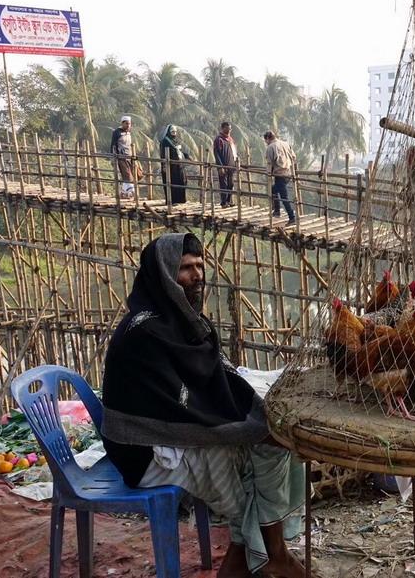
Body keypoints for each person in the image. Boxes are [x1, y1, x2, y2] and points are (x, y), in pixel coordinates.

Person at [101, 233, 312, 578]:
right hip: (145, 452)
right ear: (164, 275)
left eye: (200, 265)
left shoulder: (183, 322)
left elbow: (214, 380)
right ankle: (272, 556)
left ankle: (264, 556)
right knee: (254, 454)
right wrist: (247, 427)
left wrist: (256, 418)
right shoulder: (145, 333)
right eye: (186, 268)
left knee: (275, 441)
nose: (197, 275)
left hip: (171, 437)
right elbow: (183, 404)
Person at [264, 130, 296, 223]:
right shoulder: (285, 143)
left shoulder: (271, 147)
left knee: (284, 197)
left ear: (268, 138)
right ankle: (277, 211)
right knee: (273, 190)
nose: (266, 142)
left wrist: (268, 173)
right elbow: (294, 157)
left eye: (265, 141)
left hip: (280, 174)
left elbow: (269, 162)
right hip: (288, 173)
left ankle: (292, 217)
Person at [159, 124, 191, 205]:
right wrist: (164, 166)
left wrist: (187, 156)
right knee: (172, 183)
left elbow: (179, 151)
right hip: (171, 167)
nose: (174, 133)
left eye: (175, 132)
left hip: (179, 166)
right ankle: (172, 201)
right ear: (169, 132)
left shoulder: (175, 141)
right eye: (172, 132)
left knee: (182, 182)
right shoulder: (165, 141)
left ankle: (181, 200)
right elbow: (163, 154)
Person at [213, 122, 239, 207]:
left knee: (230, 184)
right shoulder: (219, 139)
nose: (229, 130)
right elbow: (217, 154)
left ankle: (228, 201)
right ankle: (223, 202)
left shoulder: (230, 139)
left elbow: (234, 152)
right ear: (223, 128)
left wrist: (236, 162)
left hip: (231, 166)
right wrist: (220, 166)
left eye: (230, 129)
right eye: (227, 128)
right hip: (223, 166)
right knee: (223, 184)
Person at [110, 116, 136, 197]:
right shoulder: (117, 132)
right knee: (127, 174)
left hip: (129, 157)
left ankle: (124, 192)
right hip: (121, 157)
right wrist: (113, 157)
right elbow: (113, 145)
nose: (128, 125)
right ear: (122, 123)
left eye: (129, 124)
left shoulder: (128, 132)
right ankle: (130, 191)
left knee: (129, 174)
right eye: (126, 123)